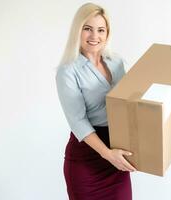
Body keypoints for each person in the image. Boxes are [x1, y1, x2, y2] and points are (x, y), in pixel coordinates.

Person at [55, 3, 136, 200]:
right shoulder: (67, 71)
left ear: (107, 33)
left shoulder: (116, 62)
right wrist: (108, 154)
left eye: (101, 30)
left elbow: (127, 104)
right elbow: (78, 121)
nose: (94, 36)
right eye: (87, 29)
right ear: (78, 31)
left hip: (116, 154)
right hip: (87, 159)